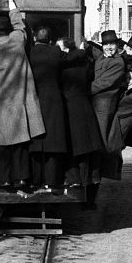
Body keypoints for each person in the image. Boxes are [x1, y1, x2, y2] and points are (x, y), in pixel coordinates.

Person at [0, 0, 45, 189]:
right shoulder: (17, 40)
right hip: (20, 100)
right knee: (21, 144)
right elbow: (19, 24)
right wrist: (11, 0)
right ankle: (22, 178)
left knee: (3, 143)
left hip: (1, 101)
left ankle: (5, 178)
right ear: (8, 30)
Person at [87, 30, 130, 205]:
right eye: (106, 45)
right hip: (95, 107)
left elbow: (102, 84)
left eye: (112, 44)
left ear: (117, 46)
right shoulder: (101, 59)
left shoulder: (118, 63)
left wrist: (81, 90)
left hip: (103, 109)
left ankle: (91, 198)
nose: (110, 47)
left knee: (99, 150)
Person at [56, 37, 103, 188]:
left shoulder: (63, 66)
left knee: (74, 148)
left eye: (59, 48)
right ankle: (86, 183)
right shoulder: (84, 64)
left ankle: (75, 180)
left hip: (71, 108)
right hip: (84, 108)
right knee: (84, 149)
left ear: (67, 50)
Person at [28, 26, 69, 189]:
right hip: (54, 99)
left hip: (34, 98)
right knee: (53, 142)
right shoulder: (56, 52)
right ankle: (52, 181)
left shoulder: (29, 52)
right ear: (50, 40)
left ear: (35, 38)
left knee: (36, 142)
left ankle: (36, 179)